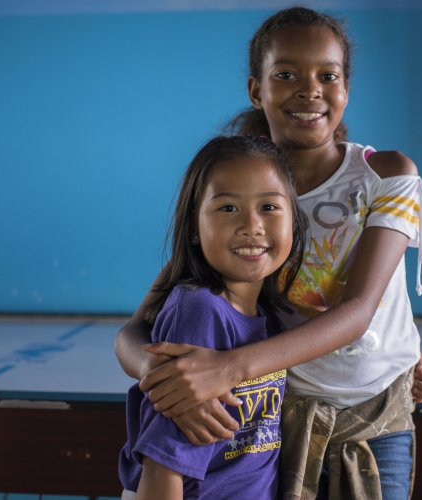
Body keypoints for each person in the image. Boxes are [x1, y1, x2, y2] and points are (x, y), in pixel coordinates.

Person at [116, 6, 422, 499]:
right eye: (286, 74)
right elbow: (133, 332)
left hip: (380, 415)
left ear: (346, 90)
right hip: (280, 413)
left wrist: (227, 369)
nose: (309, 89)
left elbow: (357, 314)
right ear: (256, 90)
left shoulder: (386, 175)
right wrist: (163, 378)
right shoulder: (242, 196)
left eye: (327, 75)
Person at [118, 135, 309, 500]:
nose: (252, 225)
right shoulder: (199, 310)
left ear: (293, 221)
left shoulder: (270, 313)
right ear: (193, 227)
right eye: (228, 208)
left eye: (269, 207)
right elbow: (164, 466)